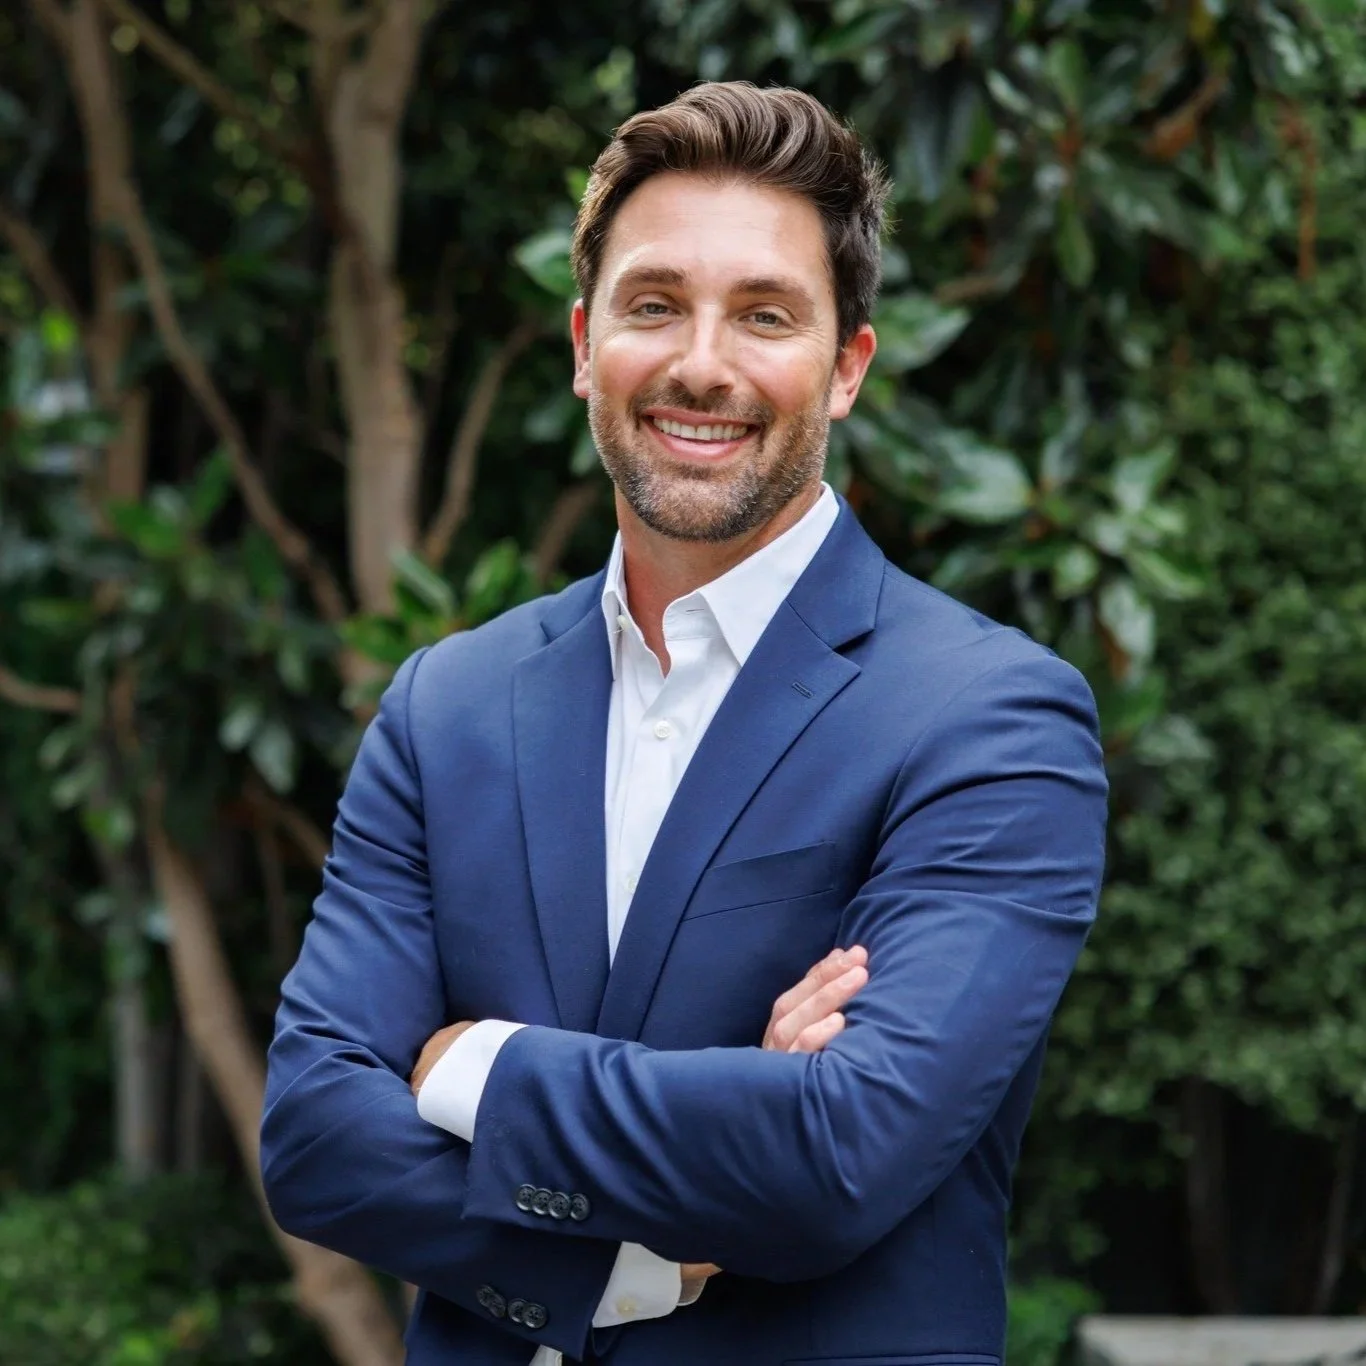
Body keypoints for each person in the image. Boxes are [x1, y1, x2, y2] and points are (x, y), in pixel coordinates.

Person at [261, 81, 1108, 1366]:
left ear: (847, 369)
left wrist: (470, 1064)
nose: (701, 361)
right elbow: (317, 1135)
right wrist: (639, 1246)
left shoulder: (989, 716)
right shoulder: (450, 702)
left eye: (765, 315)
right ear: (583, 341)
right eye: (653, 304)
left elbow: (838, 1150)